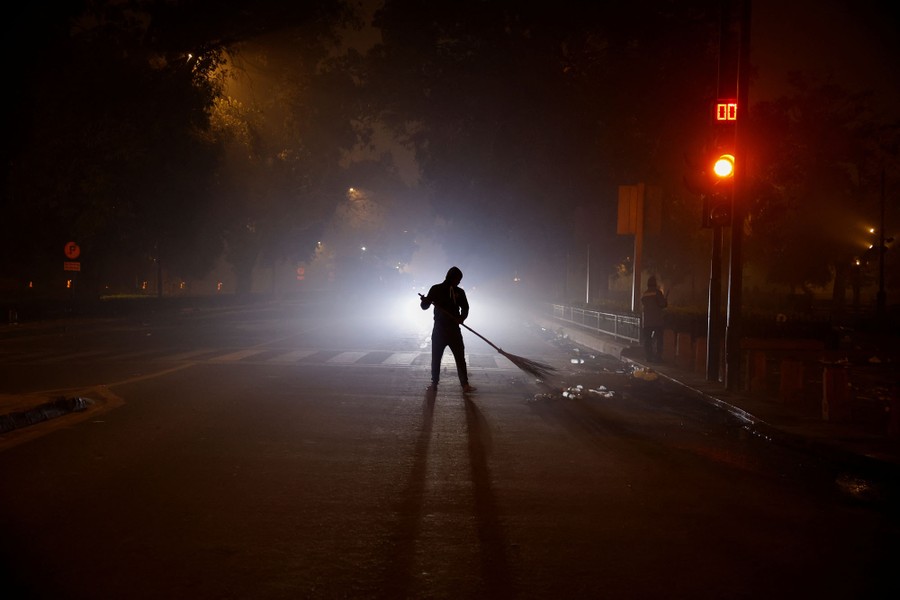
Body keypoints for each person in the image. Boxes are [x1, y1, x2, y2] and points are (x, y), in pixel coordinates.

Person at [419, 266, 477, 393]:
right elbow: (424, 307)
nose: (459, 282)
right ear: (452, 277)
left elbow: (465, 308)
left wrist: (461, 318)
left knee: (460, 357)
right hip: (439, 329)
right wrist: (425, 301)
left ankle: (465, 384)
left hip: (454, 329)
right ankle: (434, 383)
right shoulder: (436, 289)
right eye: (458, 279)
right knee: (436, 357)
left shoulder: (459, 292)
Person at [641, 276, 667, 363]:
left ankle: (648, 357)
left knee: (647, 340)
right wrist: (665, 300)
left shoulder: (645, 294)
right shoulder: (657, 293)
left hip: (647, 321)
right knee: (659, 339)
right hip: (657, 320)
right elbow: (663, 304)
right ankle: (658, 357)